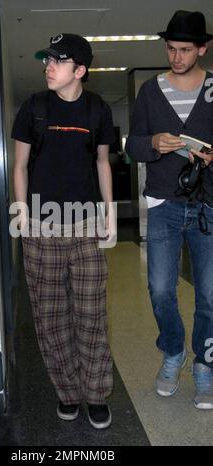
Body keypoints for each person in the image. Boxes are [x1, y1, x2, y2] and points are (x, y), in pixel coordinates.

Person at [12, 33, 116, 428]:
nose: (48, 66)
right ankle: (68, 393)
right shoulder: (34, 108)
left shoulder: (97, 110)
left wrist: (109, 214)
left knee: (91, 314)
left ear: (80, 70)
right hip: (41, 226)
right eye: (47, 60)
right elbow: (20, 165)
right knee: (51, 317)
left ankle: (96, 393)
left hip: (87, 224)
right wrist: (21, 211)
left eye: (57, 60)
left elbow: (103, 163)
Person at [126, 10, 213, 409]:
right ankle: (174, 351)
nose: (175, 57)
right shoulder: (149, 90)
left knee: (210, 293)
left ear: (202, 48)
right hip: (162, 201)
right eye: (170, 49)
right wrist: (153, 143)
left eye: (184, 50)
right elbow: (133, 146)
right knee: (161, 289)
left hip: (207, 204)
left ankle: (204, 363)